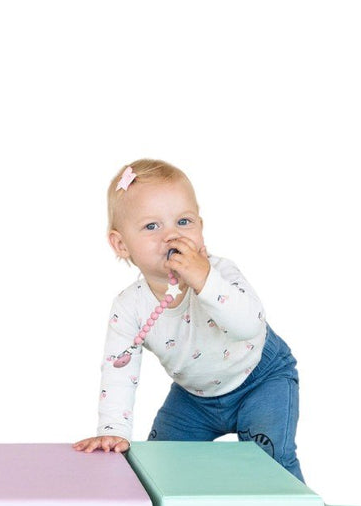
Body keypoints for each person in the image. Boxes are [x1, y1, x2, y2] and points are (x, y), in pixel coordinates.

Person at [72, 159, 305, 482]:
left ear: (200, 227)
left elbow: (249, 325)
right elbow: (118, 370)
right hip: (194, 398)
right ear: (121, 244)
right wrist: (112, 430)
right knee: (157, 465)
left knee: (272, 459)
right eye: (152, 227)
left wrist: (205, 280)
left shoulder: (220, 273)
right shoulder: (130, 307)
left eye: (183, 222)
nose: (171, 236)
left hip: (261, 379)